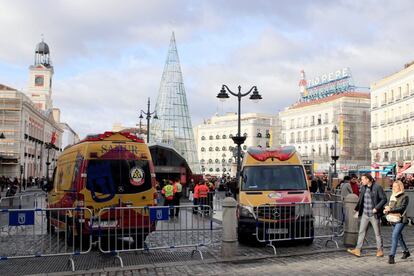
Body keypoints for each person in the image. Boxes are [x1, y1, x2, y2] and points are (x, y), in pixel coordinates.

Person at [347, 173, 387, 257]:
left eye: (363, 179)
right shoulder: (363, 187)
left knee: (377, 233)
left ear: (368, 179)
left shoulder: (377, 187)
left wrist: (376, 208)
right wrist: (357, 209)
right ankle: (358, 250)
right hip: (365, 214)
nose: (361, 181)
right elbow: (361, 200)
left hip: (374, 214)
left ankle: (380, 250)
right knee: (361, 232)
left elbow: (384, 199)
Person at [384, 180, 410, 264]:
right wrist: (386, 210)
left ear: (400, 187)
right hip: (393, 218)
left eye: (396, 186)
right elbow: (390, 207)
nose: (394, 188)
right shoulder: (392, 196)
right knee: (399, 237)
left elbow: (401, 208)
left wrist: (390, 209)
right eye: (393, 186)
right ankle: (406, 252)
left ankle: (392, 256)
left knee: (394, 236)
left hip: (401, 219)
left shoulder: (404, 196)